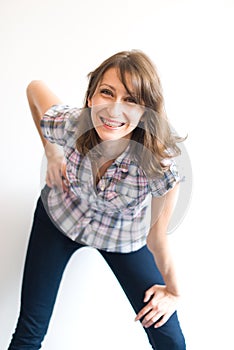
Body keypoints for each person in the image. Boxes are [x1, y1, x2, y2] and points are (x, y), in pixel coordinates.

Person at [8, 50, 186, 349]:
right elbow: (35, 88)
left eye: (131, 99)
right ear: (91, 96)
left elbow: (157, 239)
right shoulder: (71, 123)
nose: (115, 110)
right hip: (60, 219)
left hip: (121, 237)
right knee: (29, 331)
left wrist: (174, 292)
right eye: (107, 92)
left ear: (146, 111)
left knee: (168, 336)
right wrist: (53, 153)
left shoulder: (158, 164)